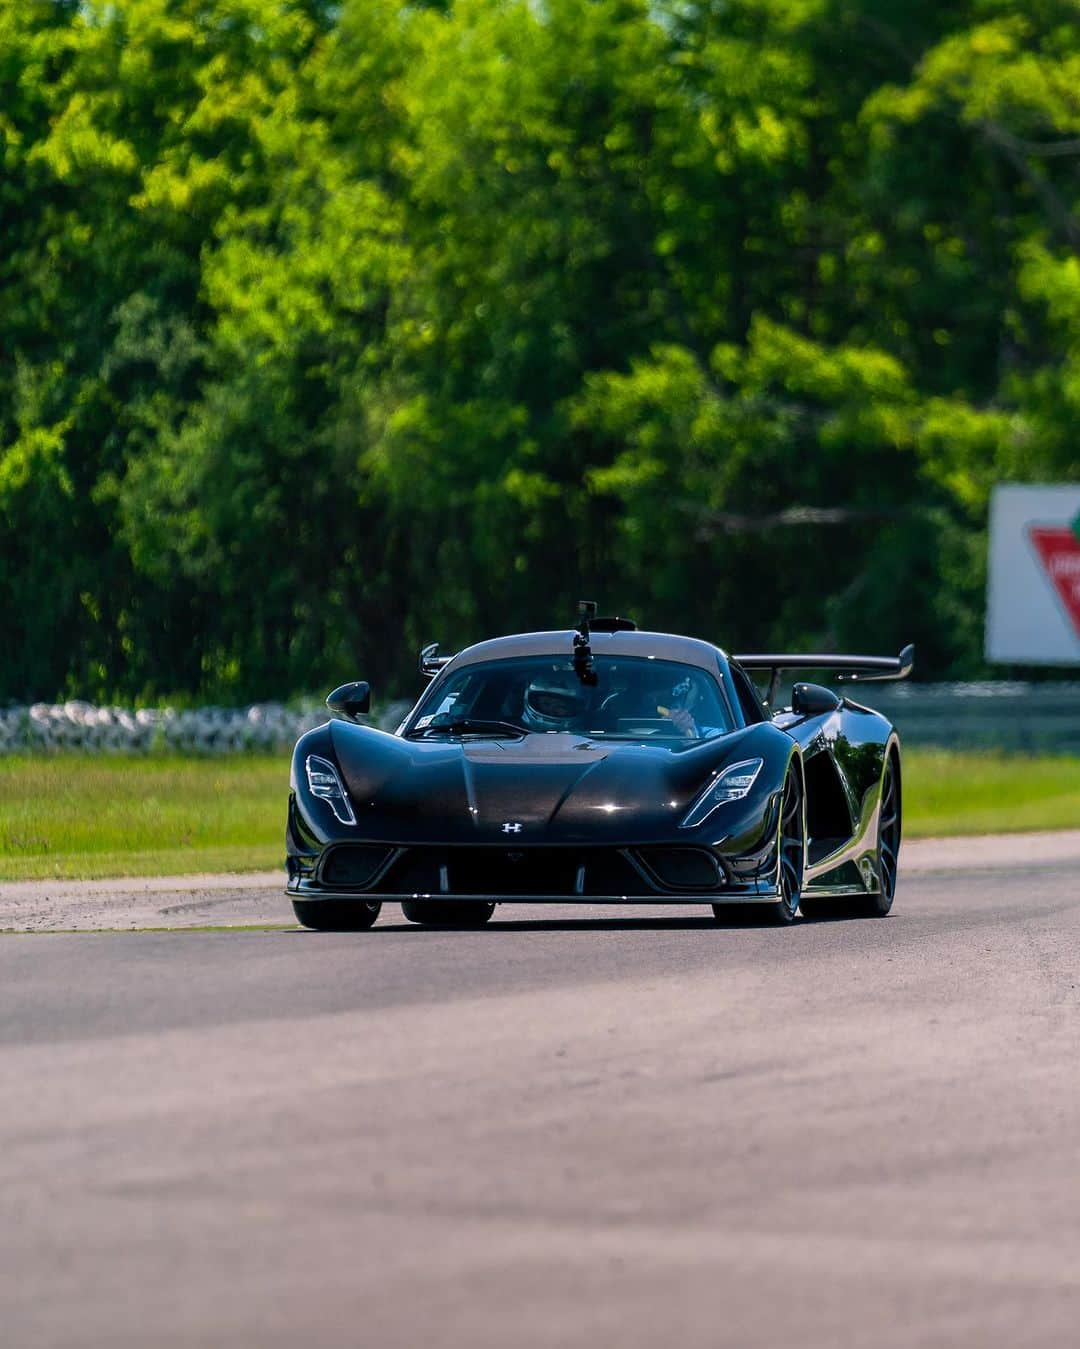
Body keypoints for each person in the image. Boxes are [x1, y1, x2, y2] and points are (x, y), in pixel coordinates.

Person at [521, 673, 592, 732]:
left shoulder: (588, 739)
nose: (551, 710)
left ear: (573, 709)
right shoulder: (514, 729)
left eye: (560, 706)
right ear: (535, 703)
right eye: (546, 704)